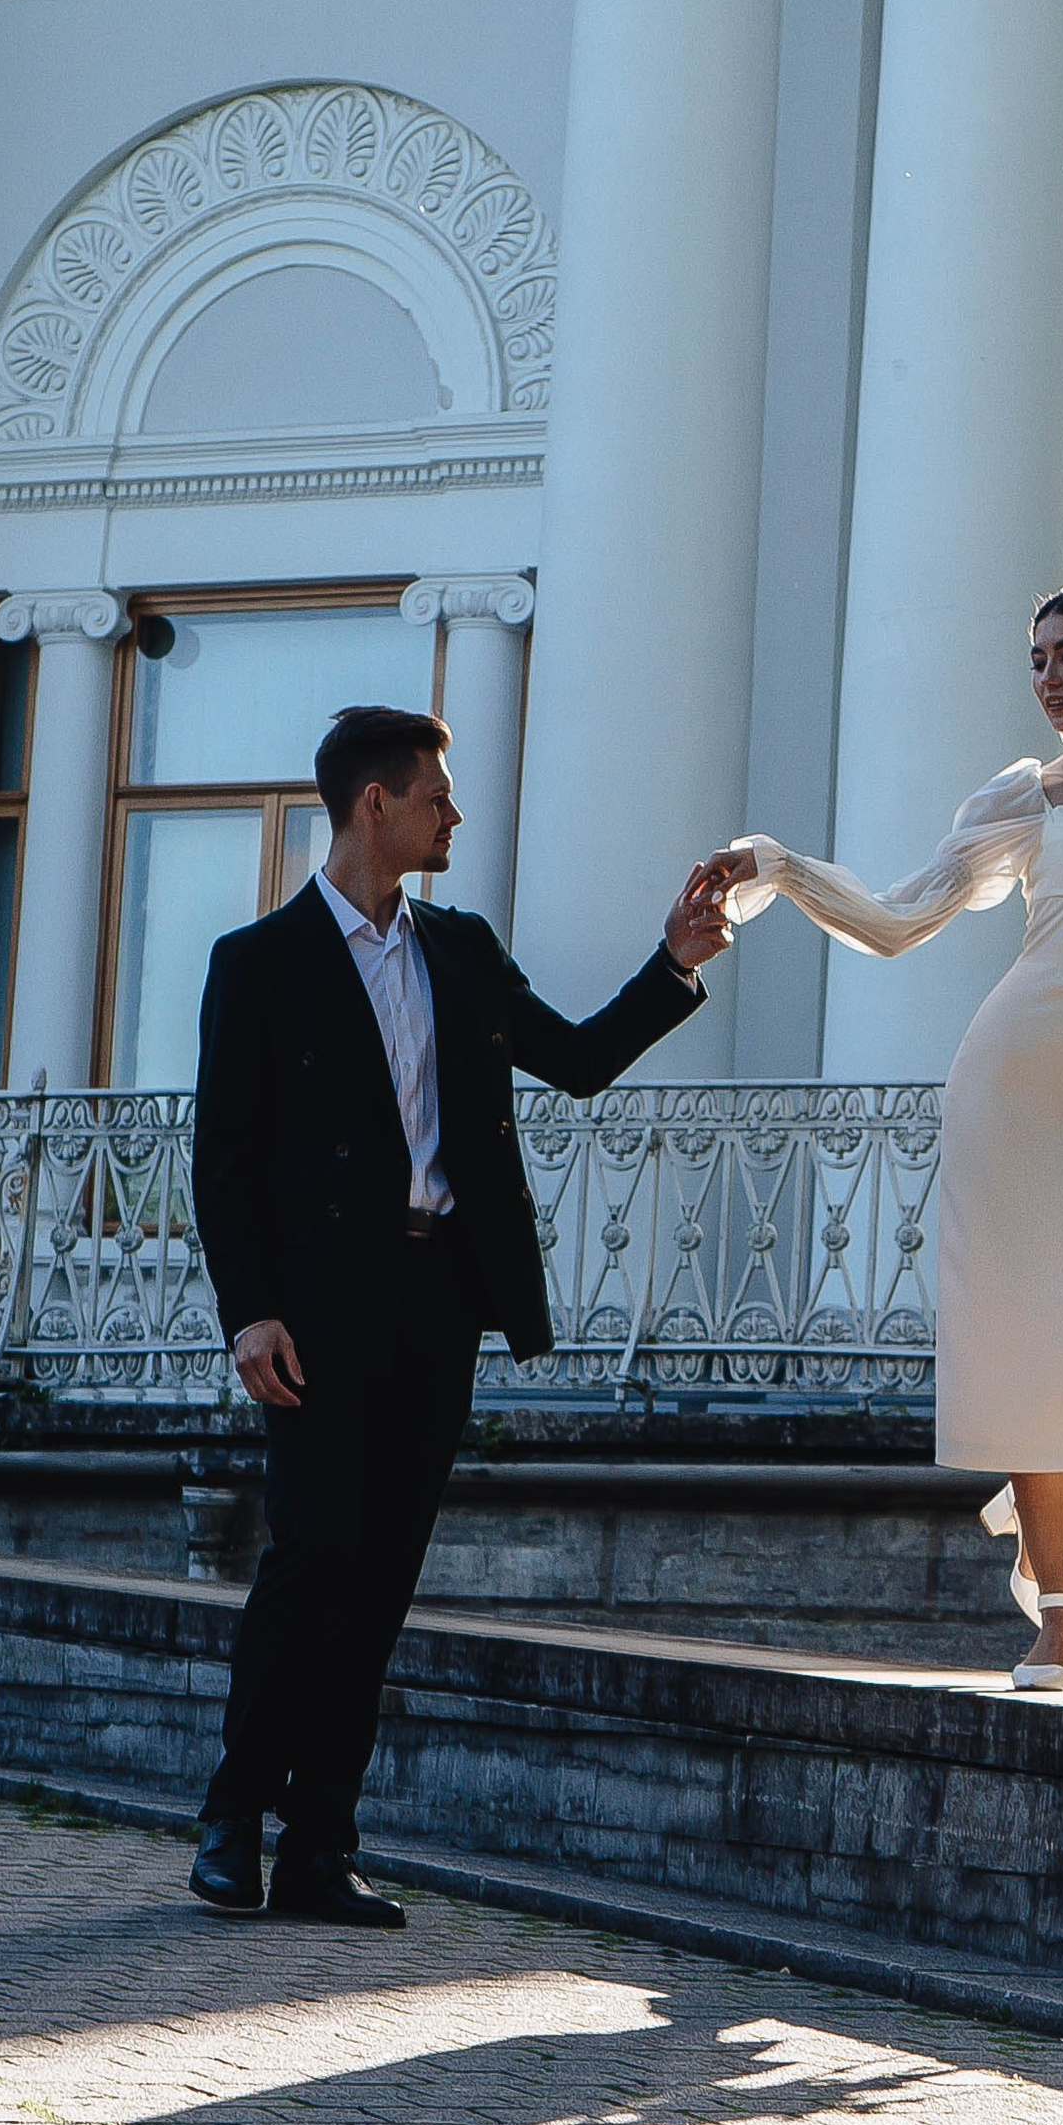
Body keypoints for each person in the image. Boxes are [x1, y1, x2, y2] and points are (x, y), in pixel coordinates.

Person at [189, 703, 730, 1925]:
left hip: (438, 1301)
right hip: (316, 1316)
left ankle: (321, 1845)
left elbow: (580, 1060)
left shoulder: (464, 949)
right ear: (374, 803)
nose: (454, 812)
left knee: (380, 1581)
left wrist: (676, 961)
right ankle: (232, 1814)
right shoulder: (256, 964)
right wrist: (250, 1313)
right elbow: (221, 1161)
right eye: (436, 792)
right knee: (308, 1561)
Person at [726, 584, 1063, 1687]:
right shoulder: (1027, 798)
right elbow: (897, 919)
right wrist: (779, 870)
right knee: (1031, 1349)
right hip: (1018, 1088)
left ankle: (1039, 1548)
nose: (1047, 678)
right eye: (1035, 661)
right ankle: (1060, 1613)